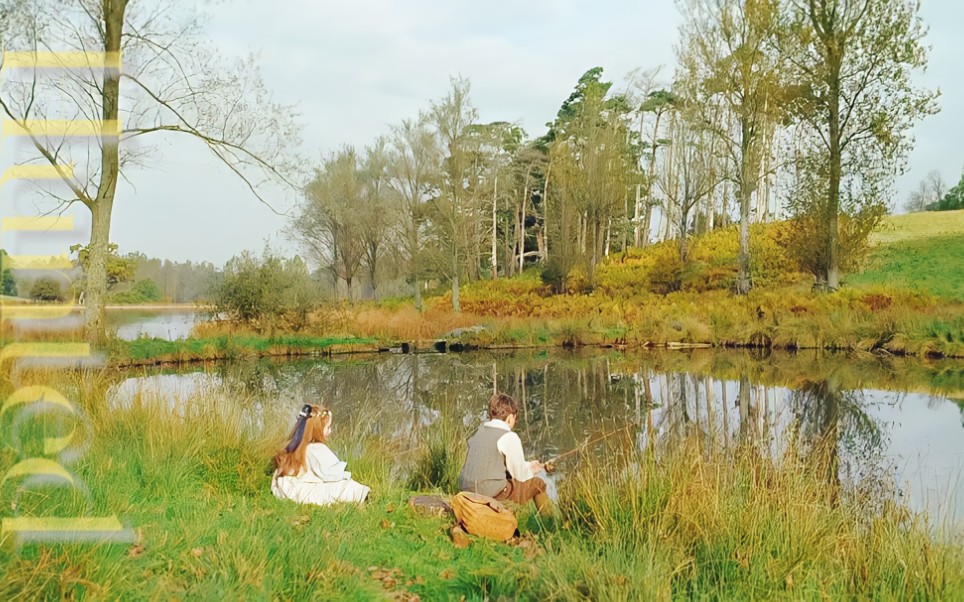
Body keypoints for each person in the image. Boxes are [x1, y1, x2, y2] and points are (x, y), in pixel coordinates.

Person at [458, 393, 550, 514]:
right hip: (489, 493)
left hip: (465, 489)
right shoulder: (509, 436)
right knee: (538, 484)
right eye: (514, 418)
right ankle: (551, 524)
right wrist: (531, 471)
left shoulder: (479, 431)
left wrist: (529, 465)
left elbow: (493, 462)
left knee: (507, 476)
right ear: (510, 417)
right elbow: (520, 476)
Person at [271, 404, 370, 506]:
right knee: (350, 487)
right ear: (317, 430)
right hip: (301, 490)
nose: (330, 431)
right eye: (328, 427)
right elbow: (332, 474)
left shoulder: (295, 445)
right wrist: (346, 476)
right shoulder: (315, 448)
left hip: (286, 486)